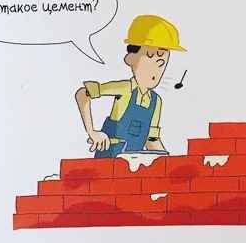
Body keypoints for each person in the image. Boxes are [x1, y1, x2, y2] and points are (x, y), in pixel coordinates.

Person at [74, 14, 185, 158]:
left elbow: (152, 140)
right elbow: (83, 94)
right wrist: (92, 132)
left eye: (161, 63)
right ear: (130, 58)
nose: (155, 69)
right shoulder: (124, 89)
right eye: (150, 56)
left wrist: (167, 162)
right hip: (109, 160)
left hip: (134, 163)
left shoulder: (156, 102)